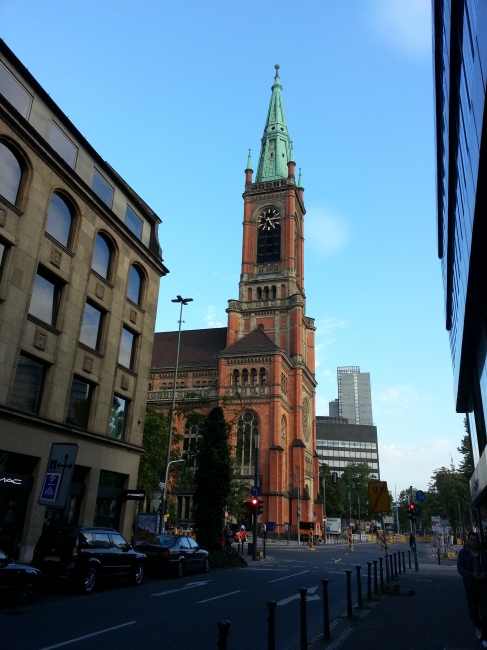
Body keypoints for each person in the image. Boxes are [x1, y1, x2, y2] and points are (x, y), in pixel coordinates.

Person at [457, 531, 487, 646]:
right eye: (471, 540)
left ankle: (484, 637)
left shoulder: (484, 554)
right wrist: (471, 575)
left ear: (478, 541)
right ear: (468, 541)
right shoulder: (463, 553)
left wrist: (484, 575)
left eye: (475, 540)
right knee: (473, 612)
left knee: (485, 613)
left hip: (483, 587)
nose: (473, 542)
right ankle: (478, 626)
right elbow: (460, 568)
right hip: (470, 587)